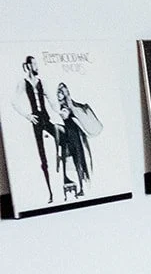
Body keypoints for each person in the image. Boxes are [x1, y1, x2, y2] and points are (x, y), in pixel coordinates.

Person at [10, 56, 55, 202]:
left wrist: (59, 111)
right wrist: (27, 116)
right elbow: (14, 102)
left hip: (46, 119)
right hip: (36, 121)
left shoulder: (42, 82)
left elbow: (51, 100)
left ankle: (65, 175)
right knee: (42, 156)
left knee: (62, 137)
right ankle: (50, 193)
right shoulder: (23, 83)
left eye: (37, 64)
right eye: (34, 64)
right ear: (28, 66)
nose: (37, 66)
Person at [53, 81, 102, 200]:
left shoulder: (68, 106)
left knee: (78, 163)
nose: (58, 94)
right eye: (58, 92)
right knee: (74, 162)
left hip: (74, 138)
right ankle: (77, 186)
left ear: (64, 94)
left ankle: (81, 189)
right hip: (69, 137)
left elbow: (66, 116)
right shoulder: (63, 105)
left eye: (60, 92)